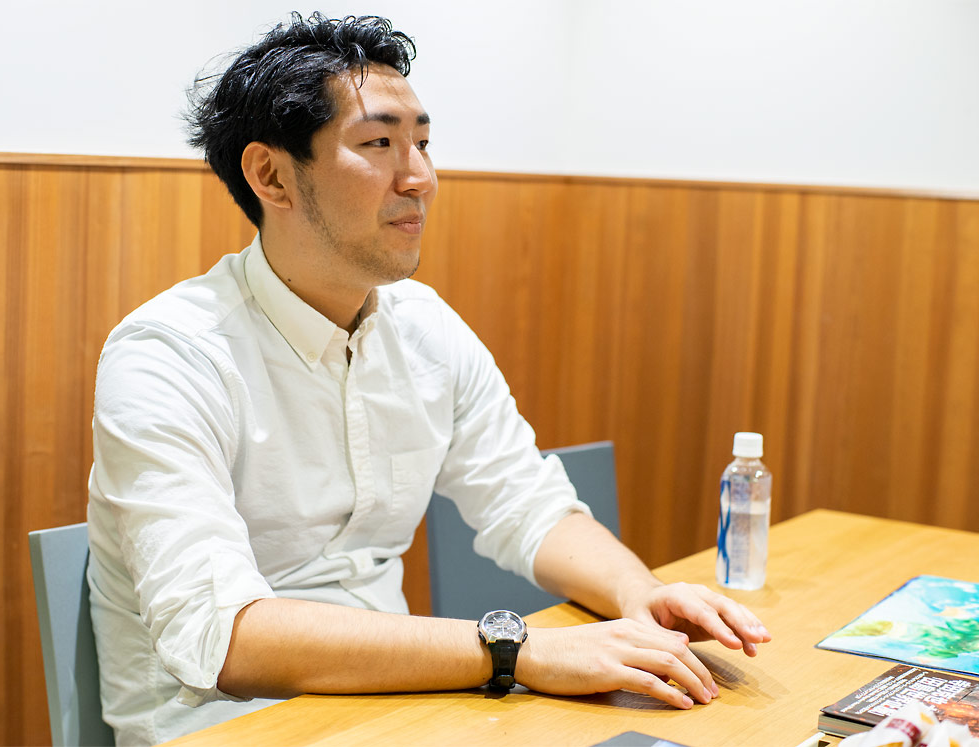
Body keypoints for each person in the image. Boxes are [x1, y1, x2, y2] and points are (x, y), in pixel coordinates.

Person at [86, 11, 771, 745]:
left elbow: (525, 501)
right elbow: (225, 639)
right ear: (271, 175)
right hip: (220, 725)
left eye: (422, 143)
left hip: (396, 707)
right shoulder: (169, 355)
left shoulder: (424, 326)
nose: (420, 178)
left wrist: (642, 595)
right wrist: (516, 651)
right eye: (378, 144)